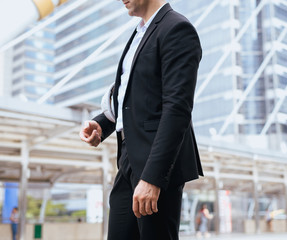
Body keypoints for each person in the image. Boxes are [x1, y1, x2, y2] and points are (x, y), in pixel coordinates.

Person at [79, 0, 203, 239]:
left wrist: (153, 177)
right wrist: (102, 124)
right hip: (128, 158)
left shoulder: (176, 28)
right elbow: (131, 97)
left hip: (156, 162)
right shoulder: (138, 33)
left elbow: (177, 109)